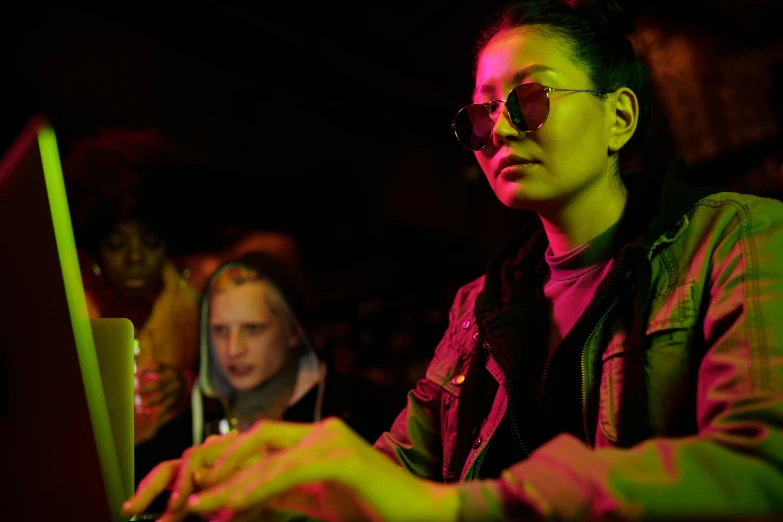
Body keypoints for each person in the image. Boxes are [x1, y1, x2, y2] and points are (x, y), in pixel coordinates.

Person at [123, 1, 783, 521]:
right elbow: (396, 474)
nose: (496, 130)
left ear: (619, 117)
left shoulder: (736, 237)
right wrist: (260, 489)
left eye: (528, 101)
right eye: (479, 114)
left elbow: (760, 470)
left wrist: (450, 508)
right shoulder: (482, 303)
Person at [65, 128, 200, 488]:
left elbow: (237, 385)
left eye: (151, 241)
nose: (136, 258)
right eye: (117, 244)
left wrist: (187, 385)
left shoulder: (194, 301)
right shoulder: (73, 302)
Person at [190, 252, 394, 446]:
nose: (233, 349)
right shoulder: (189, 423)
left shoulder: (361, 412)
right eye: (220, 330)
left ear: (294, 331)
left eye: (253, 328)